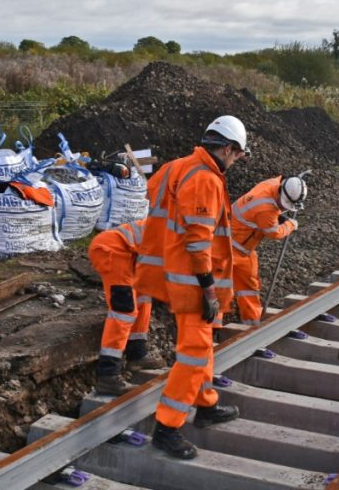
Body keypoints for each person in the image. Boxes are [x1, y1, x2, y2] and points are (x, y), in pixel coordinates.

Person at [135, 115, 248, 459]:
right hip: (192, 283)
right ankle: (168, 428)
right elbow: (199, 241)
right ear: (227, 148)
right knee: (194, 353)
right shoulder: (205, 180)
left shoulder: (176, 167)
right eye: (238, 155)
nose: (237, 161)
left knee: (203, 345)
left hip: (171, 272)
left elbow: (153, 193)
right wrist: (209, 290)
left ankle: (206, 402)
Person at [90, 219, 167, 396]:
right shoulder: (177, 232)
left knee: (144, 298)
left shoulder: (179, 226)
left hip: (130, 255)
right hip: (112, 250)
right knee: (123, 311)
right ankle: (108, 375)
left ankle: (137, 354)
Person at [230, 176, 305, 326]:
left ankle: (251, 325)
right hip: (229, 247)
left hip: (240, 246)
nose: (284, 208)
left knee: (249, 288)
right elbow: (274, 233)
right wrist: (290, 225)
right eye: (285, 205)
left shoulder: (274, 184)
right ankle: (211, 331)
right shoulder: (265, 209)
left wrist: (280, 215)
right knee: (221, 289)